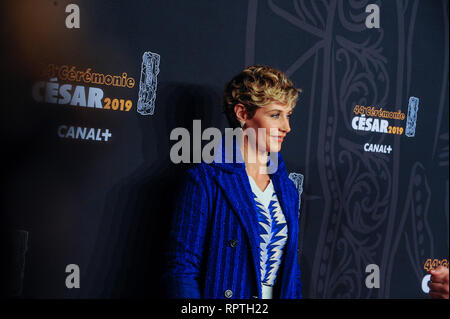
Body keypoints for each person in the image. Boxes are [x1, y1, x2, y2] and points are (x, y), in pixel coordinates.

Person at [165, 65, 303, 299]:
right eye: (275, 115)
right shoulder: (206, 180)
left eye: (288, 115)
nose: (286, 127)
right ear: (242, 113)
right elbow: (182, 271)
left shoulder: (287, 188)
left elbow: (291, 272)